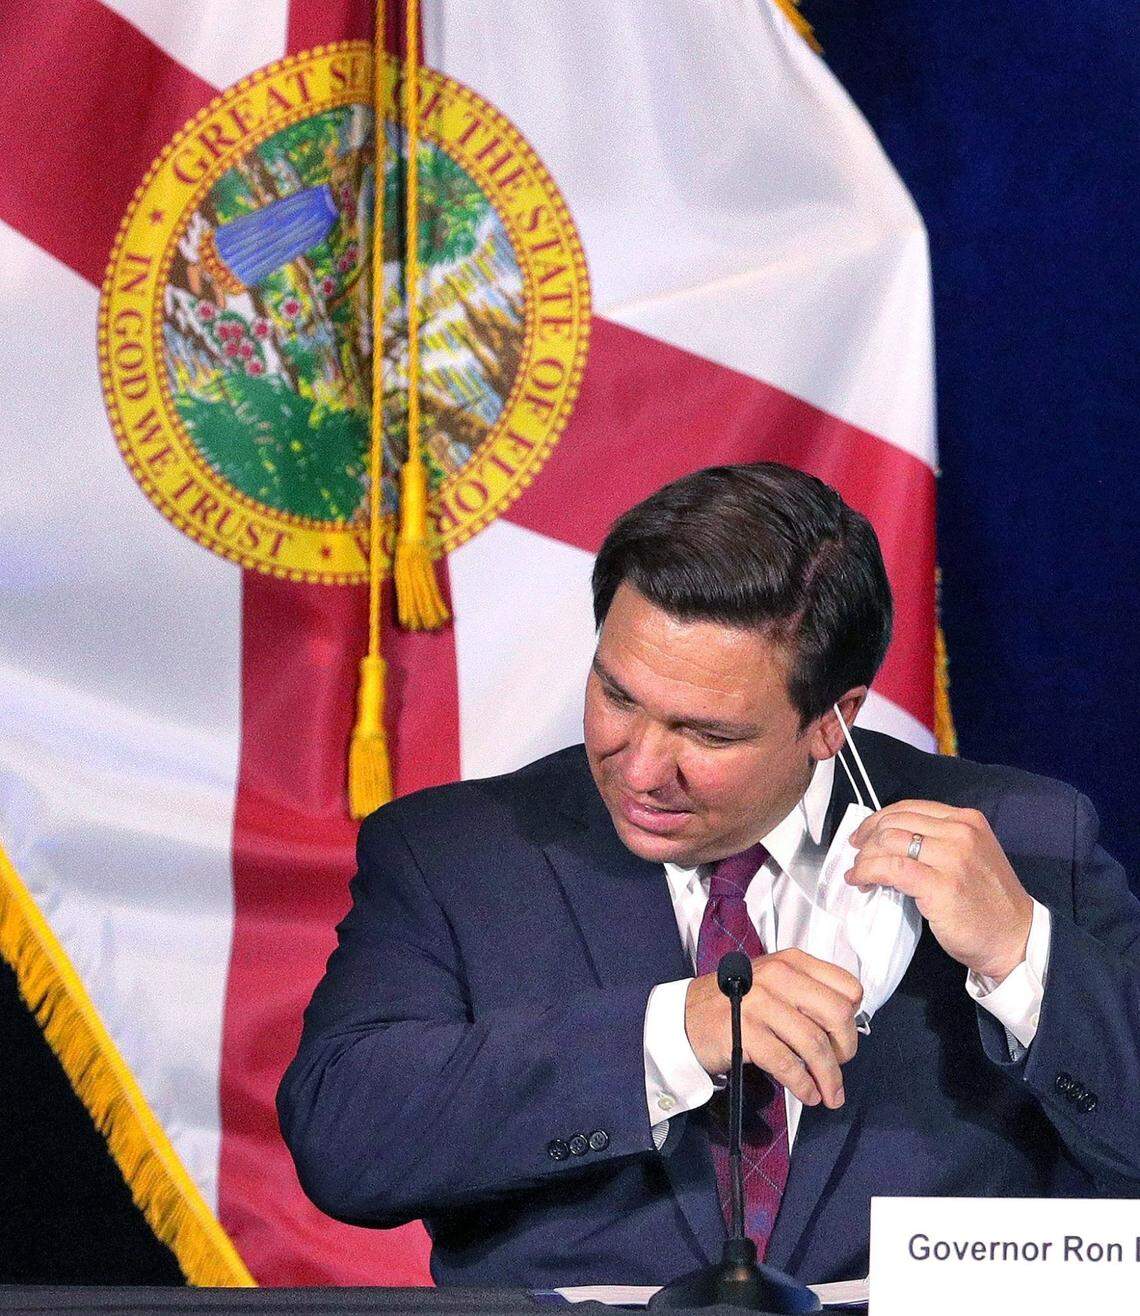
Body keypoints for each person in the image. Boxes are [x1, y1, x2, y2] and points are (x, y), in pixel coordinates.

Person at [277, 462, 1140, 1290]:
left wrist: (1025, 956)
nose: (642, 767)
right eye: (616, 696)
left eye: (709, 736)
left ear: (833, 719)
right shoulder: (456, 855)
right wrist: (669, 1037)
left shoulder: (1028, 841)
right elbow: (344, 1137)